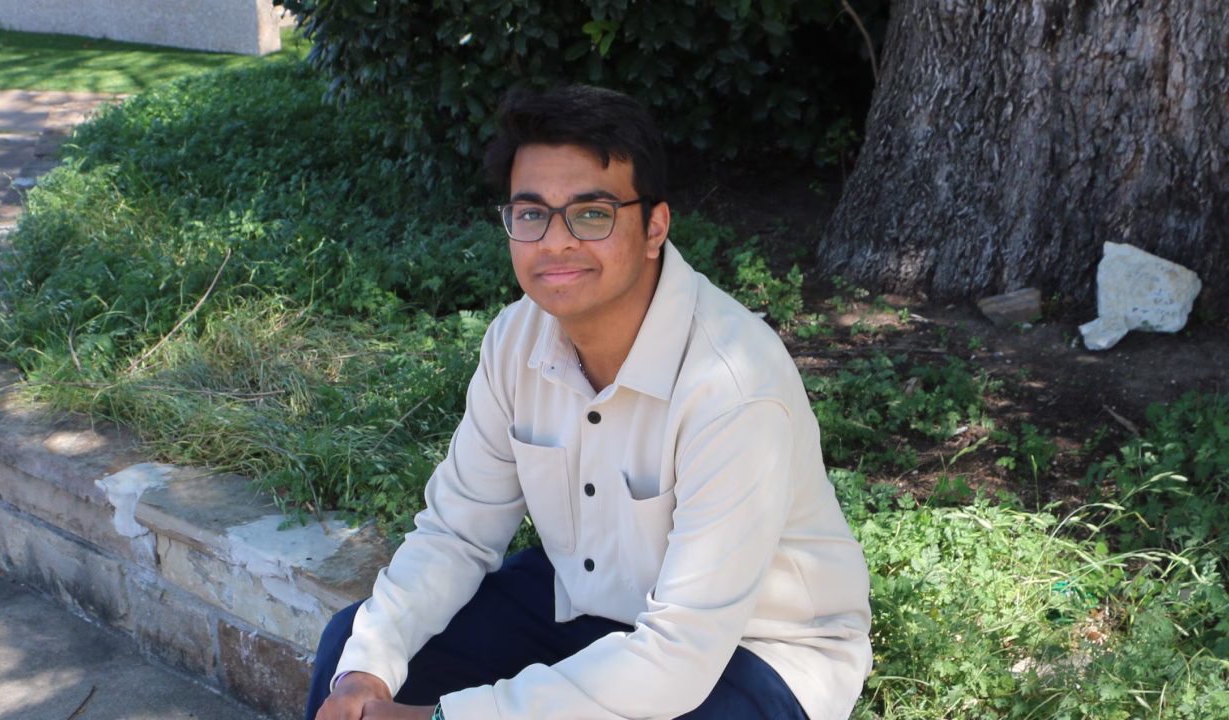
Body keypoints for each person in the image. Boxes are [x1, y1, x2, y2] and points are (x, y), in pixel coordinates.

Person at [305, 85, 872, 720]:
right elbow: (457, 532)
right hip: (585, 600)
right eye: (531, 214)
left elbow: (680, 653)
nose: (556, 242)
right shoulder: (515, 339)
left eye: (592, 214)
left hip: (755, 649)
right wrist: (367, 671)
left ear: (654, 226)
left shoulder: (732, 384)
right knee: (348, 658)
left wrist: (446, 718)